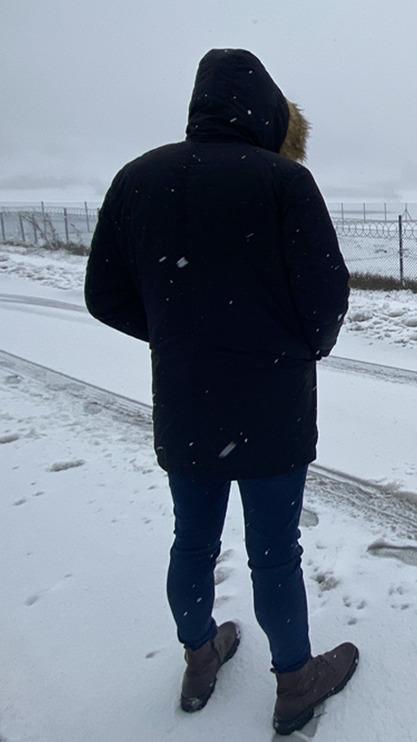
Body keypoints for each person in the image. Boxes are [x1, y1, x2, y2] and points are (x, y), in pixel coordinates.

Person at [84, 48, 357, 734]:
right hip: (272, 407)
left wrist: (174, 334)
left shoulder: (137, 179)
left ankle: (200, 660)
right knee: (274, 550)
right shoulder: (282, 182)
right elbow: (327, 295)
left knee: (192, 541)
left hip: (188, 401)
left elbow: (103, 295)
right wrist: (301, 346)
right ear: (265, 110)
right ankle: (296, 685)